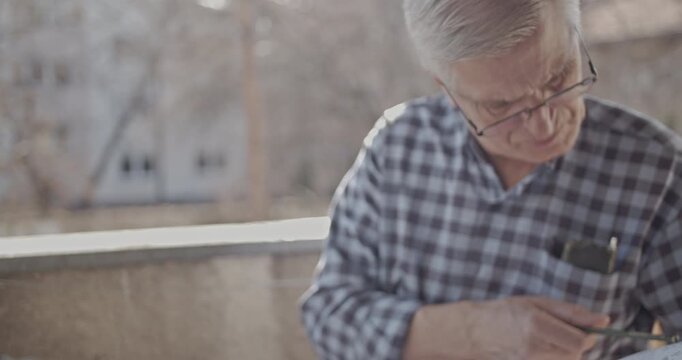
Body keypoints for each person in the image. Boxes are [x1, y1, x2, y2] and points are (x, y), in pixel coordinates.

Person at [299, 0, 682, 359]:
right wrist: (470, 331)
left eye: (559, 75)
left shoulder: (656, 168)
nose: (544, 125)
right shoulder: (397, 147)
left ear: (576, 36)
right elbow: (327, 315)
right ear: (446, 89)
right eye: (502, 105)